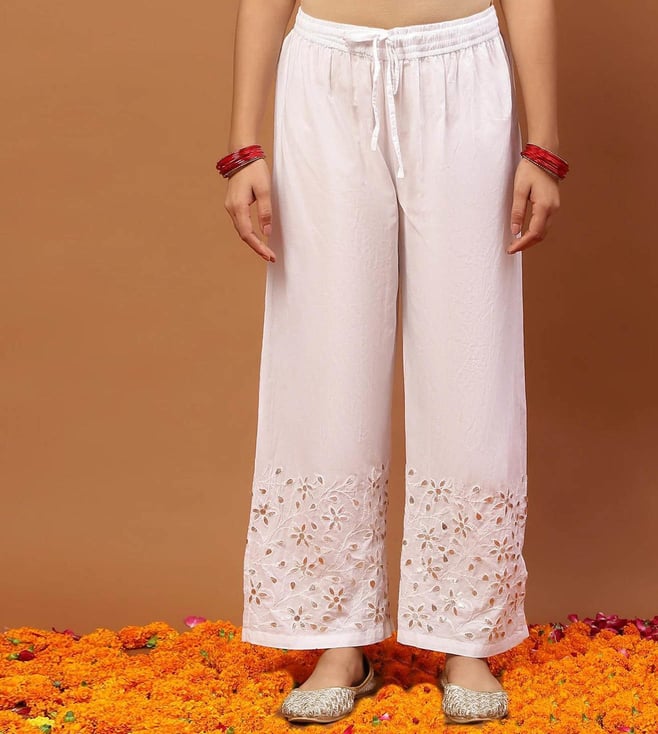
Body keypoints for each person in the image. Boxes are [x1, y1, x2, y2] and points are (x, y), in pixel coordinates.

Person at [220, 0, 567, 725]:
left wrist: (544, 146)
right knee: (323, 355)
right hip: (324, 72)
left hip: (463, 70)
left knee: (471, 355)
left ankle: (467, 635)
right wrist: (243, 145)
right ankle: (336, 636)